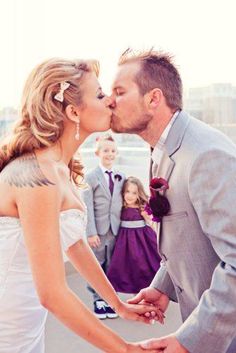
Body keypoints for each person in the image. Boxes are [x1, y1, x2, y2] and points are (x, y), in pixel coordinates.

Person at [0, 57, 162, 353]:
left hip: (26, 319)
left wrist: (118, 304)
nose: (110, 101)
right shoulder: (38, 175)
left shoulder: (61, 169)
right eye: (100, 95)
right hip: (7, 321)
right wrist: (124, 348)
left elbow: (74, 243)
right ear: (73, 111)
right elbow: (51, 293)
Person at [109, 49, 236, 353]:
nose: (110, 101)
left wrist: (188, 340)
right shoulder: (162, 149)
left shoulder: (206, 154)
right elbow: (187, 231)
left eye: (119, 91)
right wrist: (163, 285)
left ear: (153, 98)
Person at [83, 133, 125, 319]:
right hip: (98, 232)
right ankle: (97, 300)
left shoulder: (120, 177)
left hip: (115, 231)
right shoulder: (90, 177)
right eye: (106, 150)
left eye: (113, 151)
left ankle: (109, 299)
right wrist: (90, 232)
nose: (110, 154)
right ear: (97, 153)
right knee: (97, 266)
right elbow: (87, 207)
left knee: (112, 266)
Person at [107, 176, 161, 294]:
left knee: (143, 263)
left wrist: (158, 236)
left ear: (139, 194)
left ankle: (149, 289)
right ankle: (132, 290)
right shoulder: (121, 206)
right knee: (126, 265)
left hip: (142, 239)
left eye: (134, 193)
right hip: (124, 240)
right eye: (127, 191)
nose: (130, 195)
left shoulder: (141, 208)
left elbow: (151, 223)